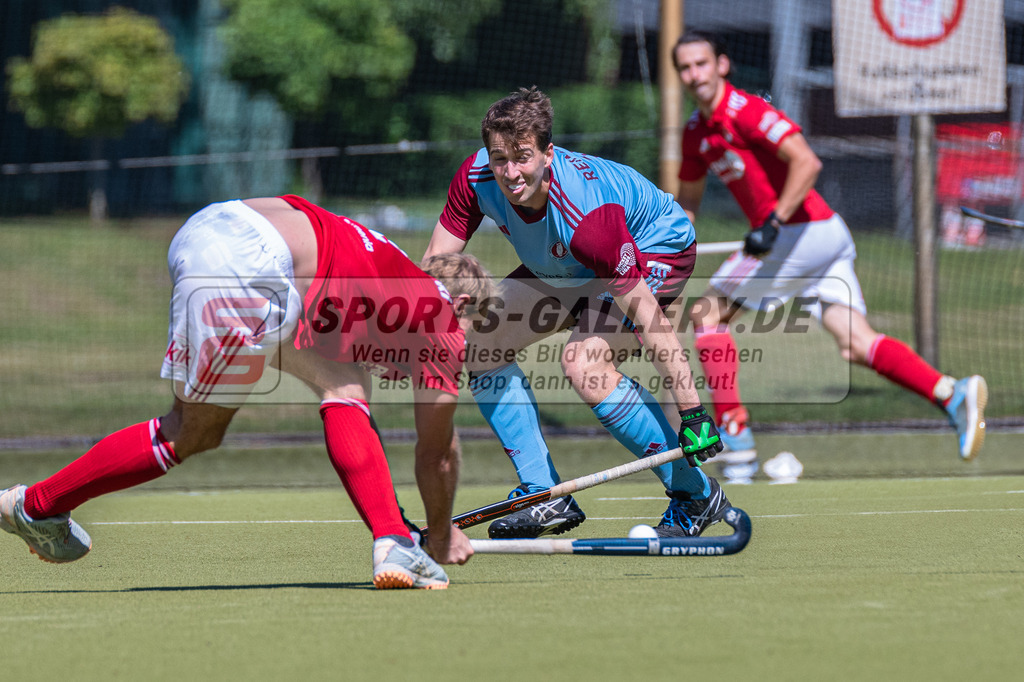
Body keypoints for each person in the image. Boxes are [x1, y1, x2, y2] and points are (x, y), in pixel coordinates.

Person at [0, 195, 496, 590]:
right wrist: (439, 532)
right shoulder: (440, 319)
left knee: (200, 429)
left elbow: (306, 350)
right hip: (258, 261)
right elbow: (438, 455)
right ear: (466, 304)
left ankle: (37, 507)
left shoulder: (378, 264)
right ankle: (394, 543)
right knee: (337, 390)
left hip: (207, 230)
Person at [672, 30, 987, 482]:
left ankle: (735, 438)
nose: (694, 74)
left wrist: (773, 221)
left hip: (802, 232)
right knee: (856, 342)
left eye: (701, 63)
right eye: (685, 67)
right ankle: (952, 394)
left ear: (722, 65)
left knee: (707, 315)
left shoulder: (748, 111)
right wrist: (668, 249)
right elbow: (688, 203)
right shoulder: (696, 133)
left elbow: (807, 162)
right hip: (816, 238)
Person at [423, 86, 727, 541]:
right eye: (499, 158)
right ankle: (543, 496)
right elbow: (435, 267)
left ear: (549, 152)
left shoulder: (589, 218)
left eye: (522, 157)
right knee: (481, 342)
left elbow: (651, 322)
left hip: (654, 246)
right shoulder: (475, 178)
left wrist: (693, 412)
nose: (509, 172)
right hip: (566, 262)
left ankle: (694, 493)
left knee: (585, 365)